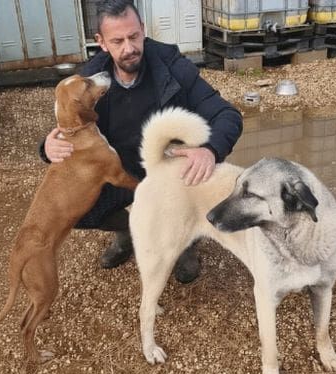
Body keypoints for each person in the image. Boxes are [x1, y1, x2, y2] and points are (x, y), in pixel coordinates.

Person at [41, 0, 242, 283]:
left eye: (134, 36)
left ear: (143, 30)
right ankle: (128, 233)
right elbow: (68, 127)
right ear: (101, 42)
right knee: (79, 209)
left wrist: (210, 150)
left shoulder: (172, 66)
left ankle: (186, 242)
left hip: (171, 173)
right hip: (124, 174)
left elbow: (226, 114)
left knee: (204, 175)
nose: (129, 48)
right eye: (118, 41)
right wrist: (47, 147)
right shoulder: (91, 79)